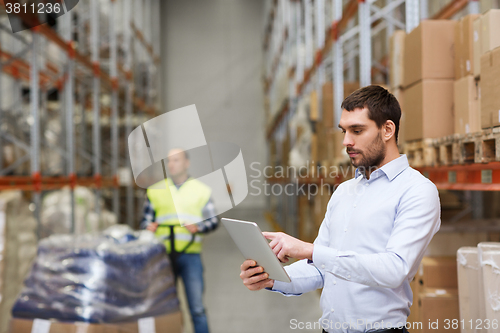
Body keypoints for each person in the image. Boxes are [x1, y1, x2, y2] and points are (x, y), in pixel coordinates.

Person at [239, 85, 441, 333]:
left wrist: (309, 250)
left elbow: (395, 269)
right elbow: (323, 269)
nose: (346, 141)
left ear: (388, 129)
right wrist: (273, 278)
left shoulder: (417, 191)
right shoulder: (344, 192)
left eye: (357, 130)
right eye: (344, 131)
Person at [141, 148, 218, 333]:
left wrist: (199, 227)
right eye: (169, 161)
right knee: (165, 308)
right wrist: (148, 226)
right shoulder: (155, 191)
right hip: (163, 258)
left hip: (190, 256)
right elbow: (145, 220)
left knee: (197, 308)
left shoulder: (201, 191)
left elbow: (213, 221)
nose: (172, 164)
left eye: (176, 160)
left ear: (186, 163)